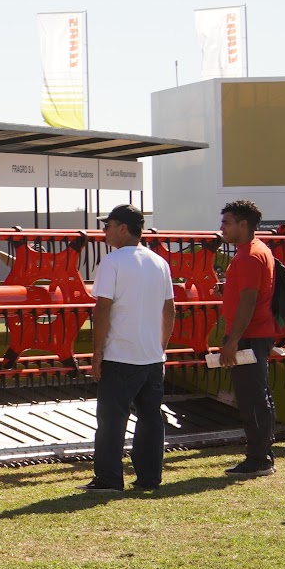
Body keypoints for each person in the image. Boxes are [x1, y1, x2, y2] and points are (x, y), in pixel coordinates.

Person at [83, 205, 175, 492]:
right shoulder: (159, 263)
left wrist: (97, 352)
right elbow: (170, 310)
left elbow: (102, 310)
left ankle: (109, 479)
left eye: (108, 225)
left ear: (123, 228)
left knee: (112, 420)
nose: (104, 230)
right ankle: (150, 477)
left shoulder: (113, 262)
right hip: (151, 357)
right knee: (150, 419)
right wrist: (161, 347)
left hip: (120, 355)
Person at [217, 199, 278, 477]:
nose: (222, 228)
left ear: (244, 224)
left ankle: (259, 459)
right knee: (257, 394)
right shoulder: (255, 251)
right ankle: (262, 453)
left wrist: (232, 341)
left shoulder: (250, 256)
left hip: (250, 336)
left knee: (252, 397)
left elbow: (248, 301)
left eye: (227, 222)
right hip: (254, 334)